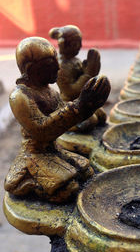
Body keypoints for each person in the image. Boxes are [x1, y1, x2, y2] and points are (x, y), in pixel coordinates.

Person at [4, 37, 110, 203]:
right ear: (31, 69)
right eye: (49, 65)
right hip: (34, 154)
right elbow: (42, 130)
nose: (58, 68)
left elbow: (65, 117)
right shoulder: (20, 96)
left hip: (53, 149)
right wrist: (79, 107)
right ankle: (26, 181)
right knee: (68, 190)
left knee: (86, 171)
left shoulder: (50, 92)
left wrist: (88, 106)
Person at [49, 25, 107, 132]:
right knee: (90, 121)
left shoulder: (74, 60)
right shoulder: (61, 66)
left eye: (80, 43)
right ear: (63, 45)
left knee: (101, 115)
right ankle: (64, 126)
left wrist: (90, 67)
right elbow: (70, 91)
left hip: (81, 101)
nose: (80, 46)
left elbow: (81, 75)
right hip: (69, 103)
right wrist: (89, 74)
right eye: (75, 44)